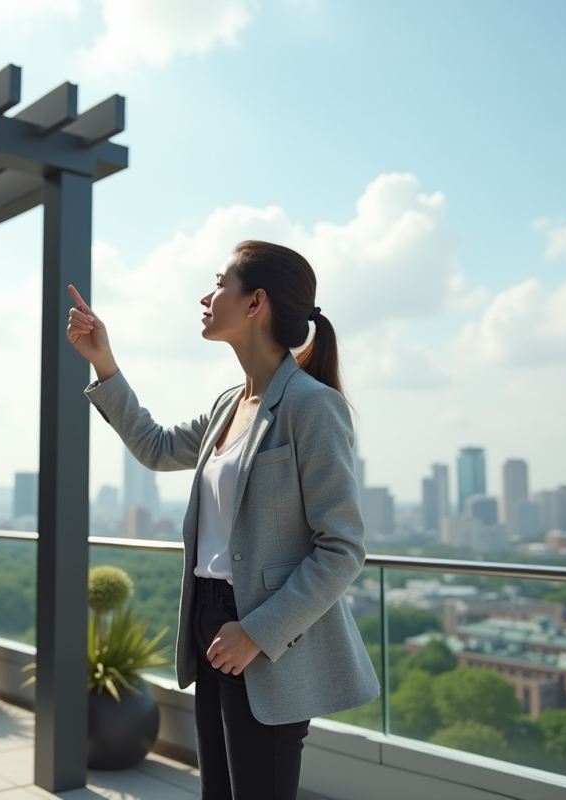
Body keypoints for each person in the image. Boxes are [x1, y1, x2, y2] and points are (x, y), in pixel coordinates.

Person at [66, 240, 379, 800]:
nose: (206, 297)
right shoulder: (227, 404)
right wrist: (103, 363)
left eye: (219, 283)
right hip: (208, 621)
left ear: (255, 302)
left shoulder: (312, 407)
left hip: (265, 634)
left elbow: (343, 548)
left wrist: (256, 633)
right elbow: (157, 448)